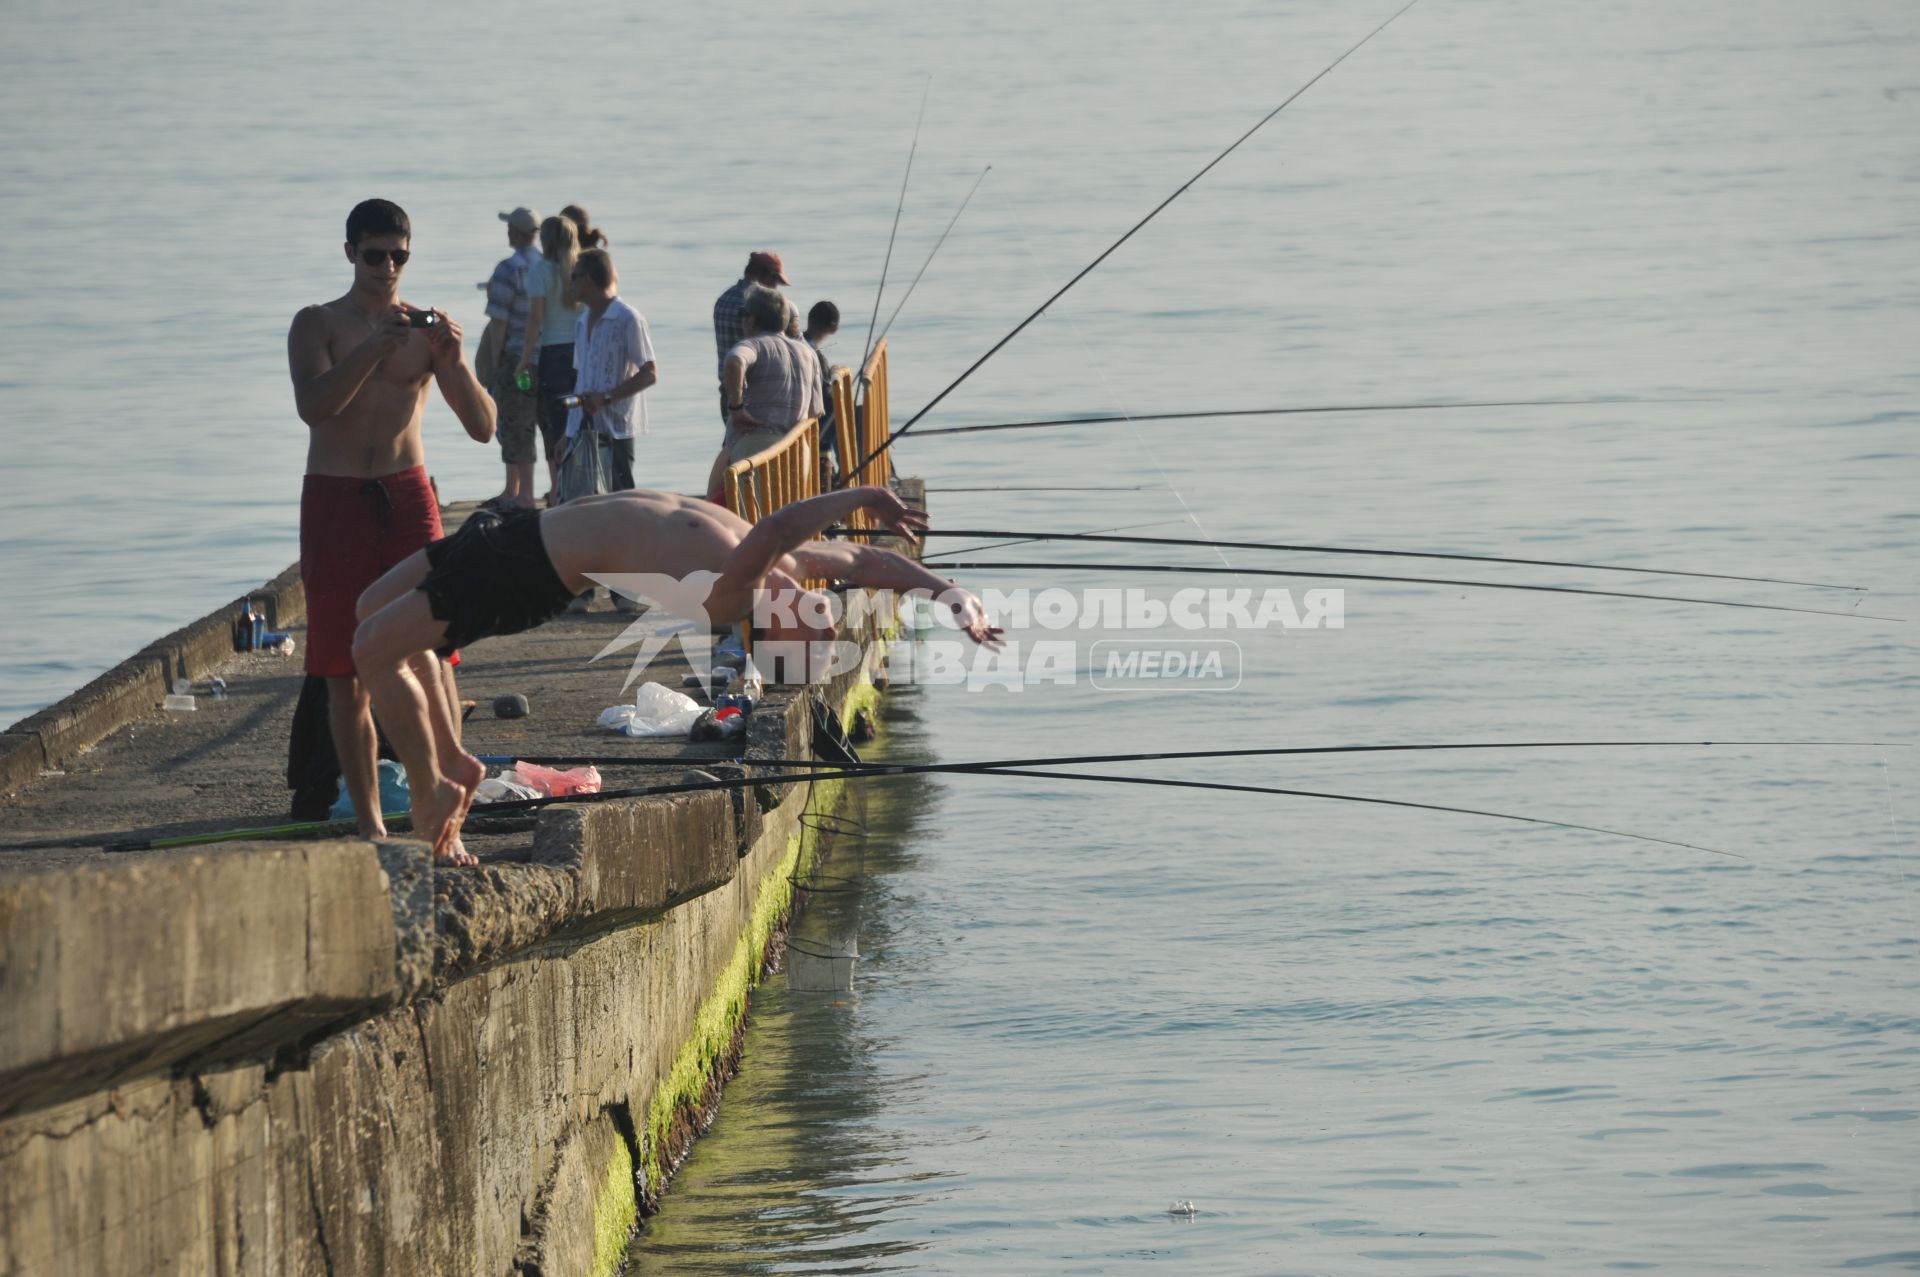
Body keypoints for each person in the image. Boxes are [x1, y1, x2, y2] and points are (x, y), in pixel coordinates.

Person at [351, 486, 1003, 862]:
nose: (831, 622)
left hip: (529, 569)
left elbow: (780, 522)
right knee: (368, 612)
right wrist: (950, 592)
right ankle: (455, 763)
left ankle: (434, 789)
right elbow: (865, 559)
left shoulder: (736, 588)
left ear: (778, 632)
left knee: (371, 651)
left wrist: (861, 494)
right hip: (521, 529)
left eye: (821, 637)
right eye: (829, 629)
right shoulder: (789, 571)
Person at [287, 197, 495, 844]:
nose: (387, 268)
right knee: (341, 666)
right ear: (350, 252)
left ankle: (446, 809)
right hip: (335, 498)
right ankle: (374, 827)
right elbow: (316, 407)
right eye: (375, 255)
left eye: (399, 257)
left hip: (408, 498)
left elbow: (485, 427)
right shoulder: (316, 323)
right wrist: (373, 349)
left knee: (433, 647)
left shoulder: (423, 331)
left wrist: (454, 359)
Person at [563, 248, 657, 494]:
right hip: (583, 428)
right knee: (582, 500)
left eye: (574, 277)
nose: (570, 283)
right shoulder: (582, 320)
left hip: (616, 428)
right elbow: (581, 377)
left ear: (588, 279)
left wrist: (606, 398)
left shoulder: (628, 318)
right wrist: (567, 433)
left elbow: (650, 373)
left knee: (621, 497)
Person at [514, 215, 583, 500]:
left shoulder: (540, 271)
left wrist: (524, 359)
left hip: (554, 357)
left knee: (555, 422)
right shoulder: (581, 269)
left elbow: (536, 320)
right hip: (580, 357)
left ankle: (559, 489)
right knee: (580, 418)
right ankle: (582, 484)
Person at [481, 206, 543, 509]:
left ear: (516, 232)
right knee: (544, 423)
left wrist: (495, 362)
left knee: (513, 422)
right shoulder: (547, 265)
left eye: (509, 228)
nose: (507, 233)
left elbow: (499, 320)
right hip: (547, 355)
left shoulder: (508, 268)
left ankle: (516, 491)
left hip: (516, 354)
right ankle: (548, 489)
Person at [712, 250, 790, 422]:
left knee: (735, 445)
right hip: (757, 392)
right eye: (775, 281)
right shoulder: (761, 305)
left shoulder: (722, 300)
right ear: (766, 276)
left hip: (728, 392)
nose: (775, 288)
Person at [804, 300, 841, 476]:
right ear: (834, 329)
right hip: (811, 429)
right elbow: (826, 402)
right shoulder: (817, 357)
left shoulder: (794, 342)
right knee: (850, 415)